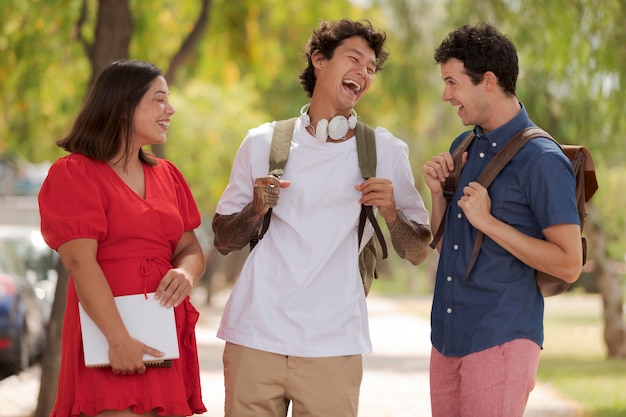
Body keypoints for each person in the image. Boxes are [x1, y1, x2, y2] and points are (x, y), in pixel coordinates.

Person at [212, 18, 431, 417]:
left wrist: (391, 211)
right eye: (354, 59)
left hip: (334, 345)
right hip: (255, 337)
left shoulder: (385, 151)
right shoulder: (262, 142)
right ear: (318, 60)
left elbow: (417, 250)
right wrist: (256, 208)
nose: (364, 73)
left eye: (370, 68)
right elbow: (223, 239)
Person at [421, 23, 582, 417]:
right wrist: (436, 191)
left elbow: (569, 263)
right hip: (446, 339)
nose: (446, 95)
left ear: (488, 81)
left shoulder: (541, 159)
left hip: (501, 339)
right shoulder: (464, 146)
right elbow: (448, 247)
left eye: (453, 82)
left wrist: (490, 223)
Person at [38, 59, 207, 417]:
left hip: (161, 331)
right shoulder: (74, 173)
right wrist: (118, 340)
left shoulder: (168, 174)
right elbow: (80, 262)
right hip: (106, 334)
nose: (170, 109)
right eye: (159, 100)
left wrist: (186, 273)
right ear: (124, 106)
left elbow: (190, 248)